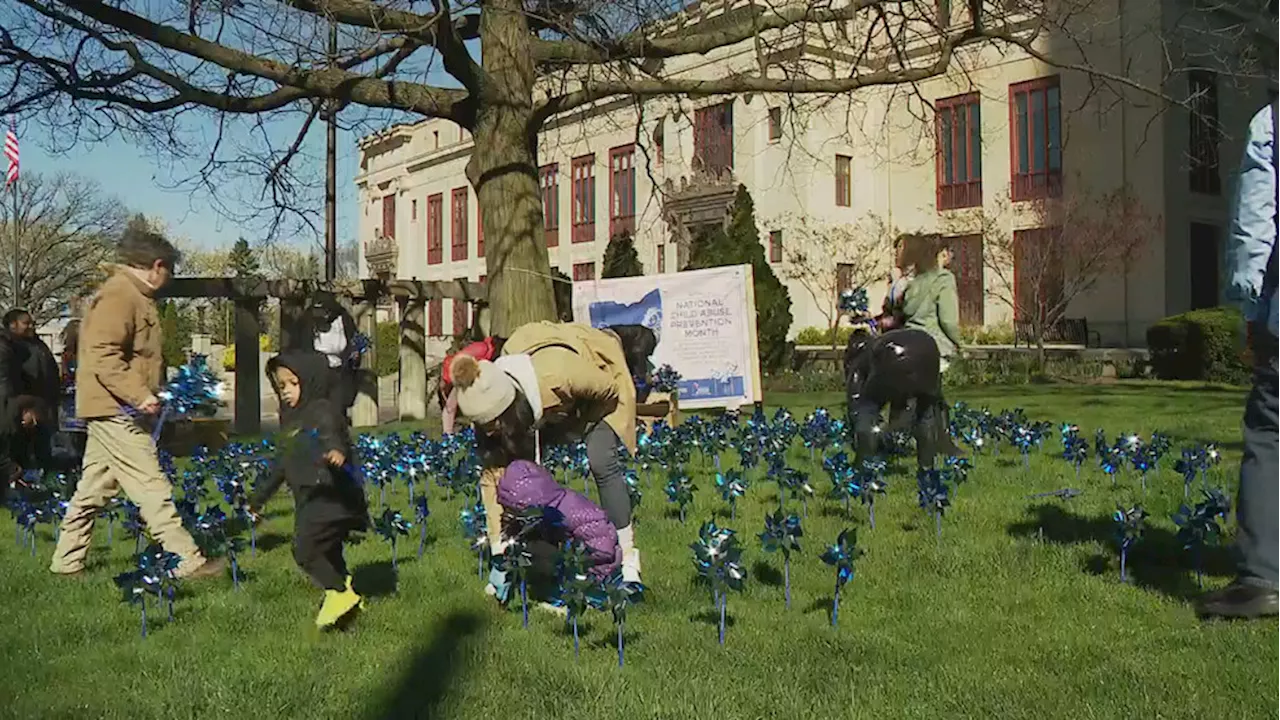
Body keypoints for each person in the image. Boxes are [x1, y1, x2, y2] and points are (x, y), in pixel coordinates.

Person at [48, 228, 226, 580]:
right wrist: (140, 394)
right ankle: (186, 561)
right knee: (151, 484)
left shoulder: (130, 295)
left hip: (111, 407)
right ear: (157, 266)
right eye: (170, 271)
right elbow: (103, 355)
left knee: (92, 490)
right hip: (117, 409)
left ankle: (66, 563)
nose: (169, 279)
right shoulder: (120, 297)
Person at [451, 320, 642, 585]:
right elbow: (493, 480)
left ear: (508, 411)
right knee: (520, 483)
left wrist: (578, 427)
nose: (490, 433)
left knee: (601, 460)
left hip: (600, 382)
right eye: (485, 428)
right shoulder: (490, 408)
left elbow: (608, 389)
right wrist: (498, 551)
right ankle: (538, 559)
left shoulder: (561, 374)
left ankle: (629, 557)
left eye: (494, 426)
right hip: (544, 408)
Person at [1198, 103, 1280, 619]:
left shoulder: (1272, 123)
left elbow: (1256, 221)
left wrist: (1251, 306)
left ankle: (1263, 576)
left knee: (1270, 432)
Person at [250, 350, 370, 628]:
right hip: (310, 495)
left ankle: (338, 593)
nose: (286, 392)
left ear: (310, 380)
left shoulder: (321, 409)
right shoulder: (291, 420)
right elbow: (280, 465)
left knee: (304, 550)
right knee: (329, 551)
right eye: (281, 386)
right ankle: (348, 591)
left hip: (329, 494)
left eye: (293, 383)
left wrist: (335, 451)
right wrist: (257, 499)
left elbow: (332, 433)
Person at [493, 459, 621, 602]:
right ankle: (544, 584)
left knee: (543, 552)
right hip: (565, 558)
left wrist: (577, 565)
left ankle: (563, 593)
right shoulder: (538, 512)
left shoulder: (575, 513)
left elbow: (603, 546)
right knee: (531, 548)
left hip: (596, 567)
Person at [4, 308, 61, 472]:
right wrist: (25, 409)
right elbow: (13, 382)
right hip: (24, 409)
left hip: (44, 405)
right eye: (26, 323)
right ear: (12, 325)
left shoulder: (37, 344)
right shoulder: (12, 347)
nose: (31, 326)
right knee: (21, 454)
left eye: (32, 323)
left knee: (44, 451)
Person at [900, 233, 963, 372]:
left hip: (909, 343)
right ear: (943, 253)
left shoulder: (916, 281)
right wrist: (960, 344)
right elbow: (948, 320)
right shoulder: (944, 279)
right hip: (935, 346)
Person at [439, 336, 505, 436]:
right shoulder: (482, 348)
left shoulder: (487, 351)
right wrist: (448, 378)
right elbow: (458, 360)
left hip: (467, 375)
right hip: (459, 374)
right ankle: (447, 434)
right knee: (451, 406)